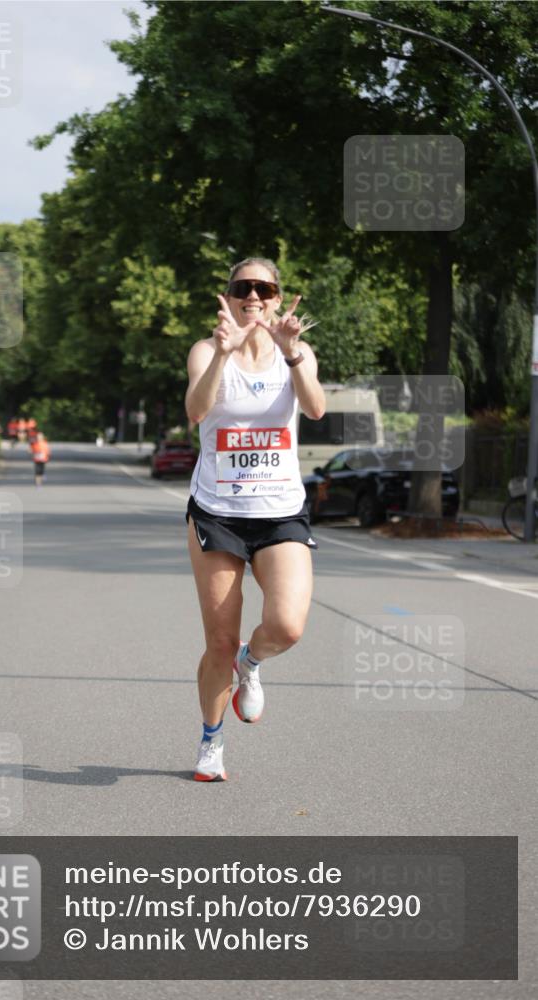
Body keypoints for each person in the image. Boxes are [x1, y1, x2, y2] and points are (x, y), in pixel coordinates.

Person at [185, 257, 326, 781]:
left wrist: (292, 357)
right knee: (218, 641)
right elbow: (197, 411)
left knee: (287, 626)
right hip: (217, 513)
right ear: (229, 295)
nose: (253, 297)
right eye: (243, 287)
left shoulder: (298, 351)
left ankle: (252, 662)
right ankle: (211, 740)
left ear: (276, 296)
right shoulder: (206, 349)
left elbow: (314, 409)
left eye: (263, 288)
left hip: (279, 511)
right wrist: (223, 355)